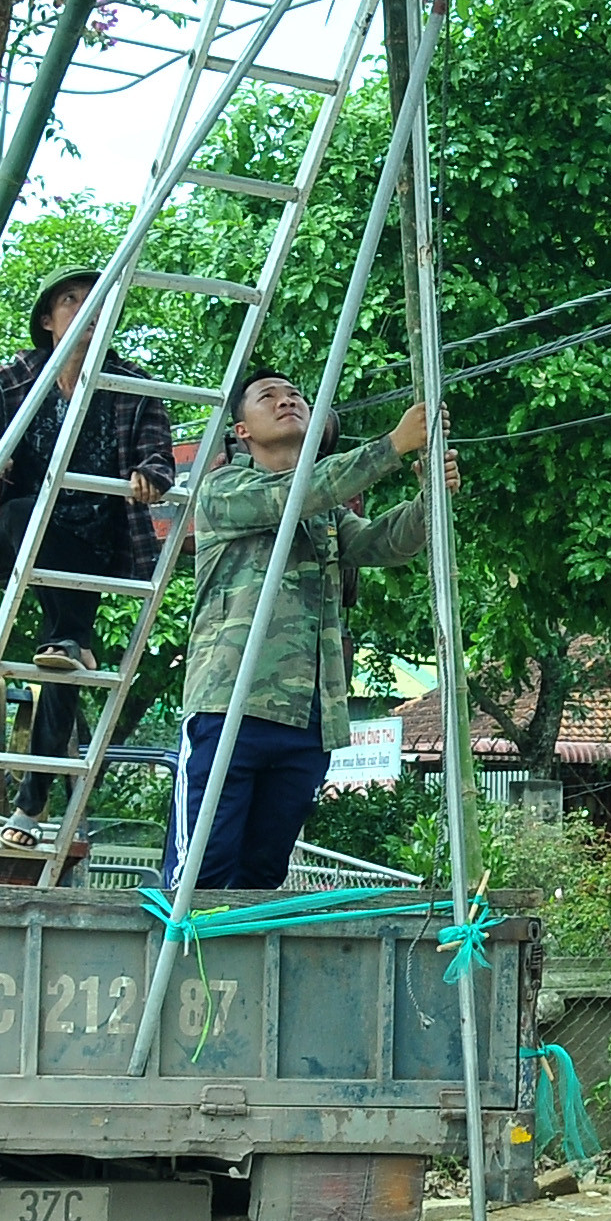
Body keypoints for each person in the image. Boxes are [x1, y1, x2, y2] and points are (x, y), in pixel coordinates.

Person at [170, 368, 451, 895]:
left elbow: (380, 545)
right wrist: (392, 446)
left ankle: (242, 976)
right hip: (230, 704)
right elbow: (297, 494)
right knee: (202, 878)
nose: (286, 401)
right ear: (242, 431)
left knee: (262, 878)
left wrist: (428, 501)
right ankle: (184, 972)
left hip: (307, 719)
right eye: (267, 396)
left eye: (295, 394)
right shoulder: (224, 488)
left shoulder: (325, 514)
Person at [0, 268, 179, 847]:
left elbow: (159, 459)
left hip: (101, 538)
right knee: (20, 515)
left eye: (97, 301)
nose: (85, 309)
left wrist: (149, 478)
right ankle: (71, 642)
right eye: (71, 300)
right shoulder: (12, 380)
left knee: (61, 662)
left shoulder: (135, 385)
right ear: (48, 319)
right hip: (29, 528)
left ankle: (30, 808)